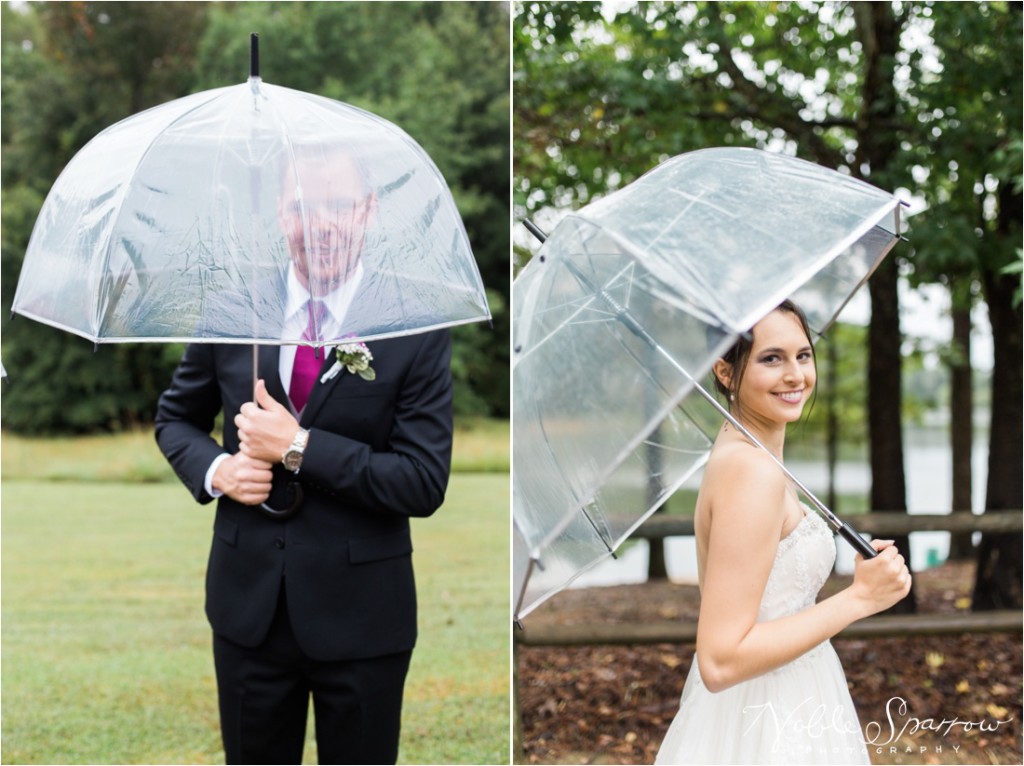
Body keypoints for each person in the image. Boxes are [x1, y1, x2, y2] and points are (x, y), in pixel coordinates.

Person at [155, 147, 453, 765]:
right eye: (302, 207)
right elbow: (175, 418)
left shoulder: (413, 324)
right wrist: (219, 470)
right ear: (279, 214)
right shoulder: (234, 310)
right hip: (248, 615)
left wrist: (296, 446)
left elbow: (422, 481)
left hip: (366, 618)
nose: (321, 224)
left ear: (368, 211)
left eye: (339, 206)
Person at [654, 300, 911, 765]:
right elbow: (720, 660)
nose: (795, 375)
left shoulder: (753, 455)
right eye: (772, 358)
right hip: (763, 722)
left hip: (800, 695)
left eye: (803, 355)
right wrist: (859, 599)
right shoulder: (752, 473)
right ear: (726, 373)